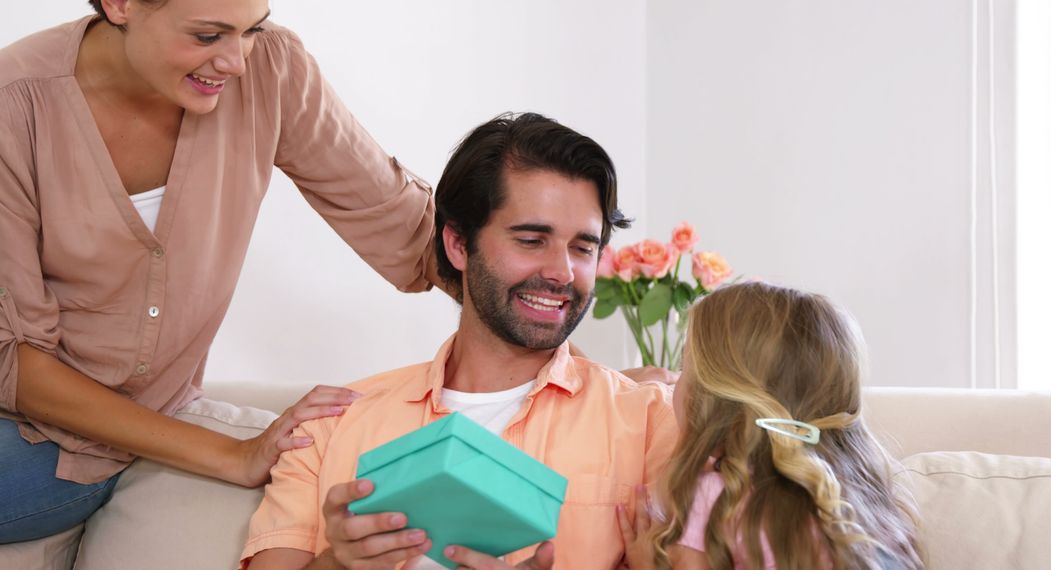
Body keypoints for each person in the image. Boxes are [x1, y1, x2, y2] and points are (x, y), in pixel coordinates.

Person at [0, 0, 440, 544]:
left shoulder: (272, 69)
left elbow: (408, 226)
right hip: (28, 429)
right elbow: (16, 361)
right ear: (120, 4)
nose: (235, 60)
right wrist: (233, 455)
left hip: (71, 447)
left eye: (252, 29)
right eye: (208, 35)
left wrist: (556, 290)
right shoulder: (13, 103)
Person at [242, 112, 679, 570]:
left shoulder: (653, 423)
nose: (562, 272)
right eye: (531, 240)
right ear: (457, 244)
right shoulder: (330, 426)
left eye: (583, 248)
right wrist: (339, 564)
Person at [617, 282, 924, 569]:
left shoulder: (716, 500)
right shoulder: (867, 501)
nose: (674, 380)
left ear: (714, 399)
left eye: (685, 367)